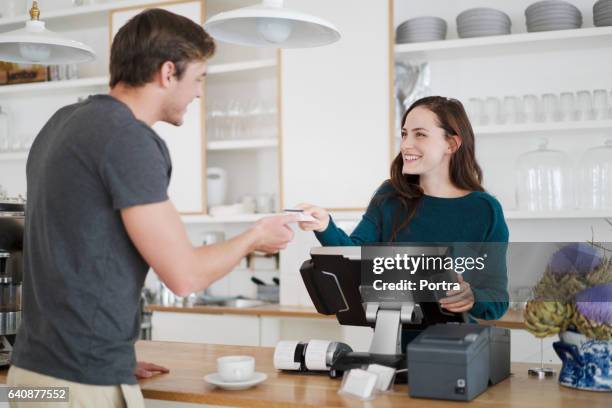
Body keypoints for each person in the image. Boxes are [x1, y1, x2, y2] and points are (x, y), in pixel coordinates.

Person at [7, 8, 296, 408]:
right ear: (167, 73)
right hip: (79, 386)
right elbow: (185, 277)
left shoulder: (62, 122)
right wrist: (255, 236)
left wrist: (116, 355)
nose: (198, 93)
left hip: (30, 379)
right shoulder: (128, 138)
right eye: (197, 79)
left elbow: (77, 253)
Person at [298, 96, 509, 347]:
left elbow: (497, 298)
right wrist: (325, 226)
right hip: (389, 347)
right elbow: (354, 254)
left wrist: (473, 297)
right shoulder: (389, 197)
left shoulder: (485, 210)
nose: (406, 144)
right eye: (404, 134)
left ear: (451, 143)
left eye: (420, 135)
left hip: (456, 352)